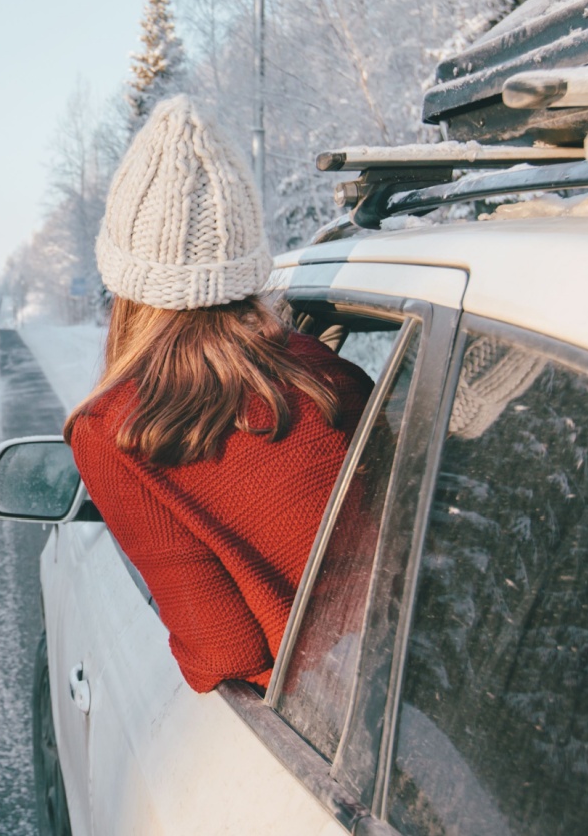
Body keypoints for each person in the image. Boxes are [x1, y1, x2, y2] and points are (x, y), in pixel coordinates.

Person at [64, 97, 372, 694]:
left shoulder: (113, 432)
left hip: (314, 713)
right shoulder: (330, 378)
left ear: (125, 282)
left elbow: (225, 652)